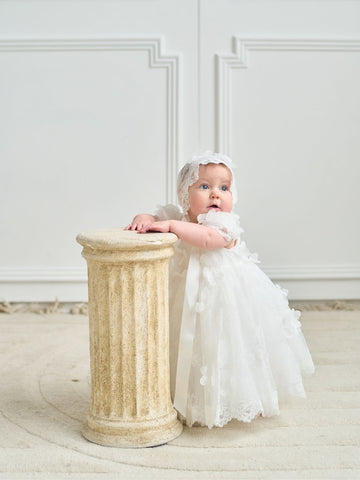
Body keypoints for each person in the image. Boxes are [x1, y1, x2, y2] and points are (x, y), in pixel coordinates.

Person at [125, 151, 314, 428]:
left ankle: (244, 397)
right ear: (183, 194)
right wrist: (144, 218)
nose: (216, 195)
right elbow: (154, 215)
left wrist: (172, 227)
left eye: (223, 188)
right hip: (184, 296)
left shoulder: (223, 223)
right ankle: (183, 395)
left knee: (228, 345)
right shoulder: (178, 216)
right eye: (205, 186)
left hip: (225, 298)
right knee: (182, 342)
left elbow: (209, 239)